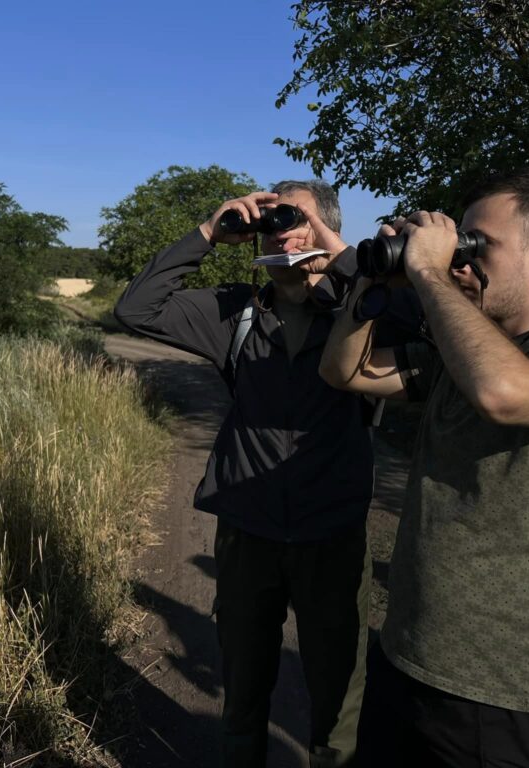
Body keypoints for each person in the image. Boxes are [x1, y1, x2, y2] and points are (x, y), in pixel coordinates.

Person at [308, 167, 529, 767]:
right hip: (406, 659)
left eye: (476, 245)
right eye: (457, 243)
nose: (460, 261)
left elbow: (506, 391)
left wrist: (429, 272)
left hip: (506, 695)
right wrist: (370, 285)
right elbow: (344, 372)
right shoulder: (455, 358)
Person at [114, 180, 373, 767]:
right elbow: (135, 309)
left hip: (331, 532)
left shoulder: (359, 308)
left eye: (296, 216)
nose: (282, 226)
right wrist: (210, 232)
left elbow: (417, 318)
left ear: (325, 225)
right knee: (245, 688)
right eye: (272, 218)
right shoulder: (235, 310)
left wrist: (336, 249)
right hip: (247, 530)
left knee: (339, 697)